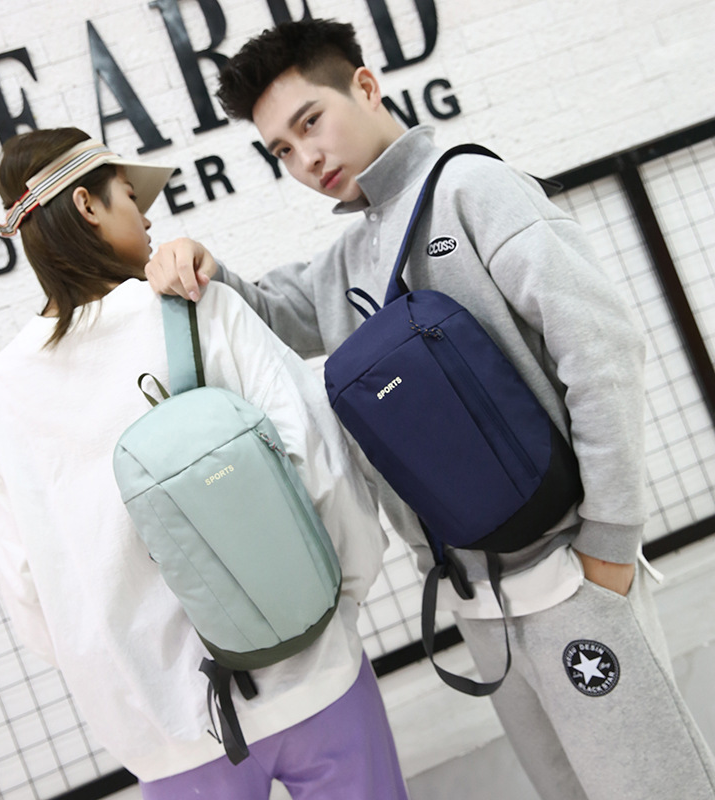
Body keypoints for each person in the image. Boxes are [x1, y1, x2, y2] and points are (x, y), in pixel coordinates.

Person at [144, 18, 715, 800]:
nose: (306, 158)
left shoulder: (474, 188)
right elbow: (270, 312)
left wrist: (611, 542)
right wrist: (203, 264)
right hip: (477, 601)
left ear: (366, 86)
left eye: (311, 122)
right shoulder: (347, 256)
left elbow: (603, 349)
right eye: (281, 149)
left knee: (652, 787)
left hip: (571, 570)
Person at [0, 127, 411, 800]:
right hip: (310, 668)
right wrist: (339, 608)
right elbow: (316, 456)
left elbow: (27, 584)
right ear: (87, 205)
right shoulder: (197, 308)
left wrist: (129, 678)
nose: (148, 218)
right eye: (128, 195)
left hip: (168, 728)